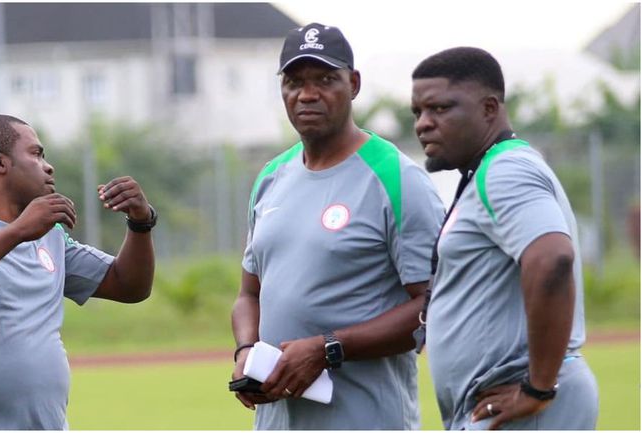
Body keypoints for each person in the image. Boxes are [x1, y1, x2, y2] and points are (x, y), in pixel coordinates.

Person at [230, 23, 445, 430]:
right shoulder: (271, 177)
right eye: (294, 82)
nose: (307, 94)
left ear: (354, 84)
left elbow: (436, 304)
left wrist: (329, 349)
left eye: (325, 79)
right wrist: (245, 350)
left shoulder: (397, 178)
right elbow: (249, 294)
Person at [0, 114, 157, 430]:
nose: (48, 166)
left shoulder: (48, 234)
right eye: (36, 154)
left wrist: (141, 222)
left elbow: (129, 286)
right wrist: (18, 231)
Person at [411, 47, 598, 430]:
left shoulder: (505, 171)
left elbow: (552, 259)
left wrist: (538, 388)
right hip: (500, 404)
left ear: (489, 109)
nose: (423, 124)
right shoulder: (486, 172)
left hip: (525, 404)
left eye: (440, 109)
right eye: (418, 112)